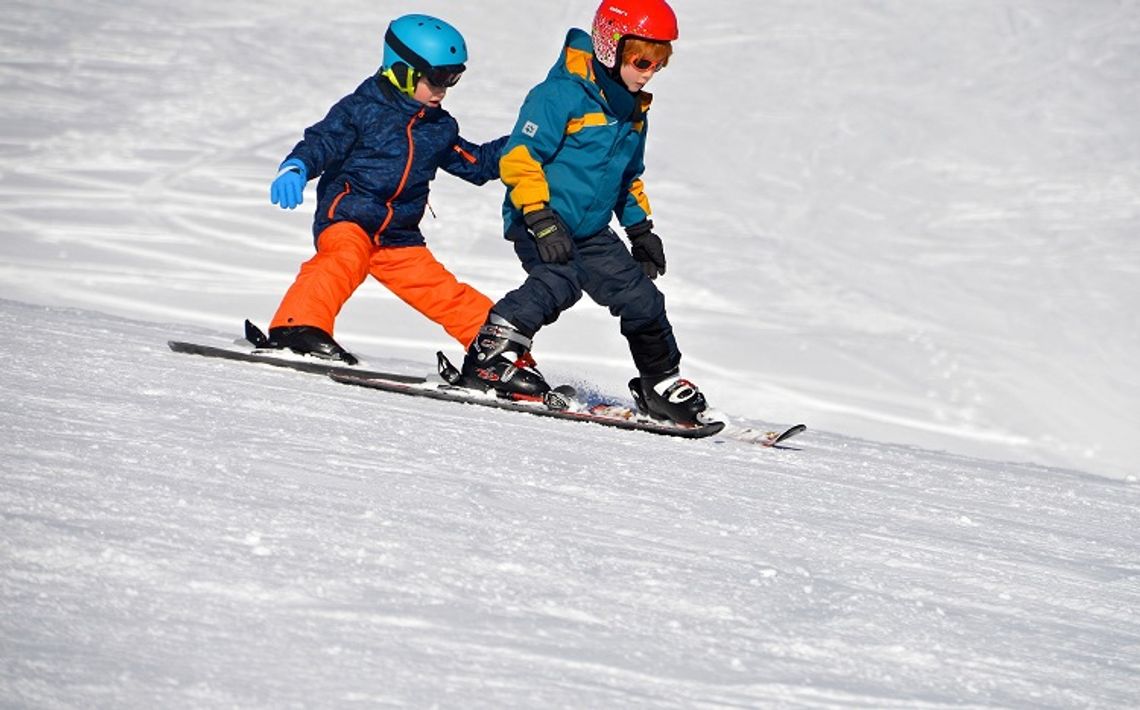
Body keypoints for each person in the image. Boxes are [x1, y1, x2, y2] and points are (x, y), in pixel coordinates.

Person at [458, 0, 710, 425]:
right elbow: (520, 157)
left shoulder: (633, 112)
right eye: (642, 59)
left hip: (591, 231)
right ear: (611, 46)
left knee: (642, 299)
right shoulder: (559, 95)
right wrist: (538, 215)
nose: (649, 71)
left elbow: (628, 176)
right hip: (539, 220)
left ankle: (659, 382)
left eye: (660, 62)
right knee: (559, 279)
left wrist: (641, 230)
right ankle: (491, 354)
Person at [263, 14, 506, 365]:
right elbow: (323, 142)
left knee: (444, 291)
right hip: (350, 218)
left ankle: (498, 354)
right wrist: (297, 166)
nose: (443, 89)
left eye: (453, 78)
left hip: (397, 236)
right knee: (342, 260)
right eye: (437, 77)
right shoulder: (361, 109)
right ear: (403, 69)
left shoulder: (439, 127)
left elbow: (477, 164)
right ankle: (297, 326)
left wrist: (529, 144)